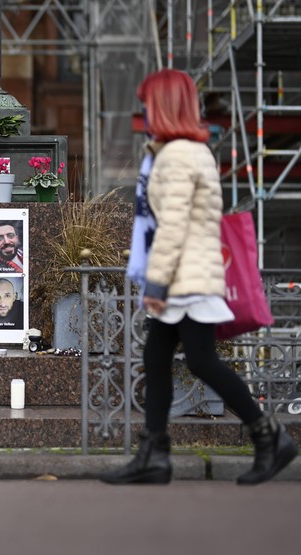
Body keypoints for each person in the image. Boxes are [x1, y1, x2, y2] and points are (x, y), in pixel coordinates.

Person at [100, 69, 297, 485]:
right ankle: (155, 453)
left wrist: (155, 284)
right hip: (186, 274)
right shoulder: (185, 151)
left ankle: (269, 436)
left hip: (185, 278)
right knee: (158, 358)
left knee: (201, 360)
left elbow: (171, 226)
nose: (144, 113)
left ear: (164, 106)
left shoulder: (176, 156)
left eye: (148, 104)